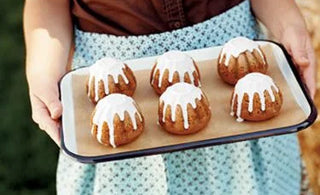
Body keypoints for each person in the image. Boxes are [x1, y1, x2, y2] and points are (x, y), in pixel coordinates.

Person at [24, 0, 316, 194]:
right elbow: (46, 9)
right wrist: (42, 71)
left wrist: (289, 24)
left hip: (238, 77)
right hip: (116, 98)